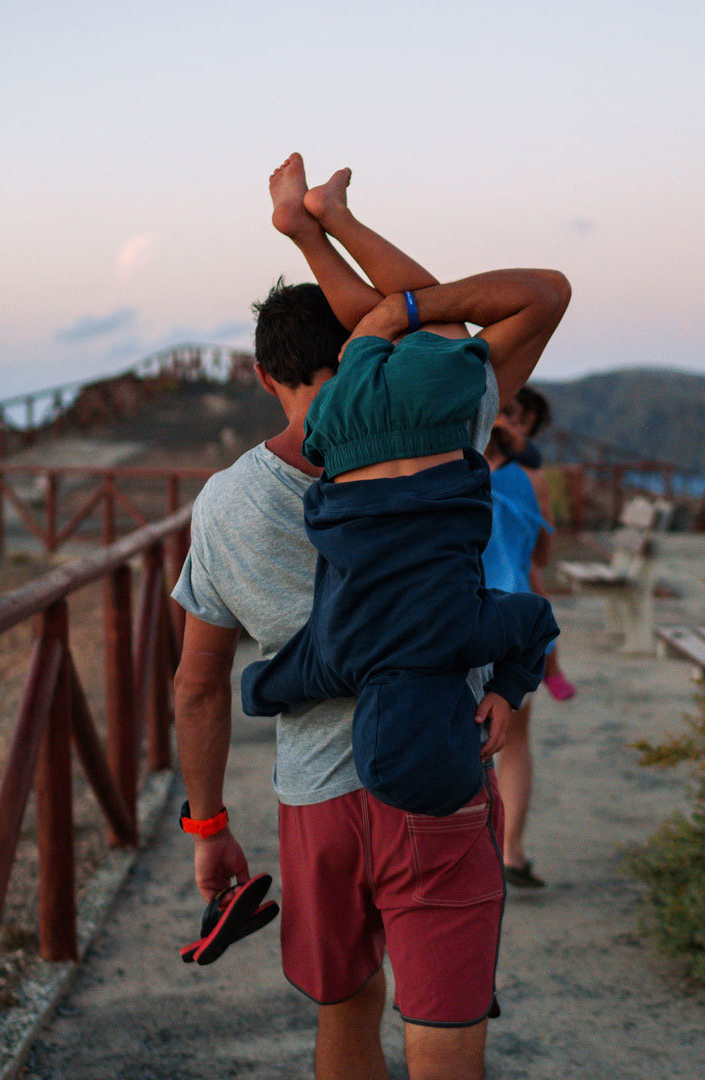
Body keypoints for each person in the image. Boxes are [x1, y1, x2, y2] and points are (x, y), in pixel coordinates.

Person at [171, 154, 570, 1080]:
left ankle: (311, 229)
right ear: (361, 344)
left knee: (345, 1013)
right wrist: (346, 250)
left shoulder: (224, 505)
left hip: (317, 801)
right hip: (436, 772)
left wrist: (207, 825)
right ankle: (315, 225)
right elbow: (472, 316)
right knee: (444, 1035)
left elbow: (198, 687)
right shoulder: (443, 429)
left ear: (264, 375)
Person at [480, 387, 567, 888]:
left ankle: (490, 848)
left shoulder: (448, 465)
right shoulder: (532, 478)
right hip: (515, 615)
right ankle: (510, 851)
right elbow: (542, 555)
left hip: (463, 612)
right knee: (513, 740)